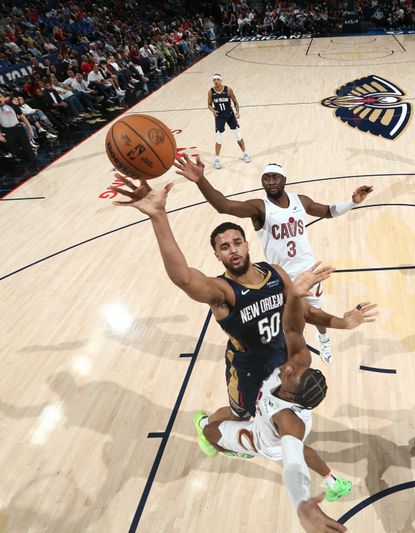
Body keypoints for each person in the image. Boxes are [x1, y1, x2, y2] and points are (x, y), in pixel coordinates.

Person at [109, 177, 349, 533]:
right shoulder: (222, 292)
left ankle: (227, 429)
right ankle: (208, 423)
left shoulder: (274, 273)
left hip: (281, 357)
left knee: (277, 422)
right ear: (217, 255)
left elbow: (298, 319)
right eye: (224, 246)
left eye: (237, 241)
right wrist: (158, 216)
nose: (232, 249)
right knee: (241, 412)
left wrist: (341, 322)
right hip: (248, 369)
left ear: (246, 244)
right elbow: (183, 277)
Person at [174, 155, 374, 365]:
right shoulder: (259, 208)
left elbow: (327, 211)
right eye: (266, 178)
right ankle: (298, 352)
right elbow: (224, 206)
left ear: (284, 179)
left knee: (316, 311)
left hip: (308, 270)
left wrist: (352, 202)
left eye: (275, 177)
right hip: (282, 277)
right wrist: (200, 180)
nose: (270, 182)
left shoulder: (300, 201)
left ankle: (323, 338)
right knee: (296, 320)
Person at [208, 73, 250, 169]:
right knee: (219, 138)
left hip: (230, 115)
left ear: (221, 80)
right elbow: (209, 104)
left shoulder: (228, 89)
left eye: (218, 79)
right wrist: (213, 110)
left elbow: (235, 102)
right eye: (214, 79)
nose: (216, 81)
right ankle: (217, 160)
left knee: (238, 135)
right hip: (219, 116)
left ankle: (245, 154)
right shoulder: (210, 92)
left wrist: (238, 112)